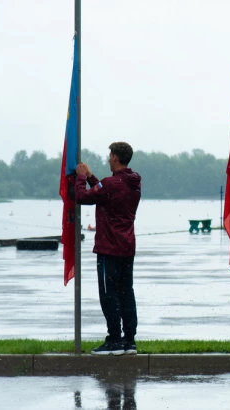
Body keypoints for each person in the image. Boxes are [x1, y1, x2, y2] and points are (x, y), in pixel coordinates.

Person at [75, 142, 142, 356]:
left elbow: (82, 197)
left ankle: (113, 339)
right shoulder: (133, 183)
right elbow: (106, 192)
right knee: (126, 293)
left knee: (108, 294)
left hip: (108, 249)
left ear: (115, 157)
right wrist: (94, 178)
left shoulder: (111, 184)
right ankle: (129, 340)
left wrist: (81, 177)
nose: (107, 159)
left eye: (109, 155)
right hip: (127, 247)